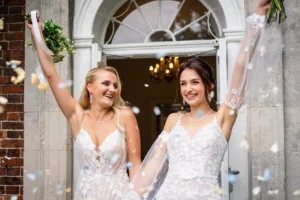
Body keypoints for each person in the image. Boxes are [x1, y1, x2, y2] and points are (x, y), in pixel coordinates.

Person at [123, 0, 283, 199]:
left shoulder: (223, 117)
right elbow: (154, 165)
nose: (188, 89)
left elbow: (241, 68)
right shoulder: (174, 120)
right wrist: (129, 195)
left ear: (210, 85)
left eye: (194, 82)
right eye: (183, 84)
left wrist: (258, 16)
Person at [27, 16, 142, 200]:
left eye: (115, 85)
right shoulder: (76, 115)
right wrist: (37, 33)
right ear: (90, 87)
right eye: (106, 83)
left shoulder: (125, 116)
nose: (112, 89)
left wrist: (136, 196)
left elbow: (135, 163)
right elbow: (51, 75)